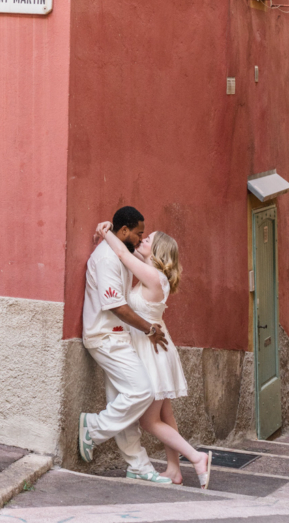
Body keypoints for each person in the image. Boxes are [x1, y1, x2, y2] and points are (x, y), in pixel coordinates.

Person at [97, 220, 212, 489]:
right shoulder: (153, 271)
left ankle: (197, 458)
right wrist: (119, 236)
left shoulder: (153, 277)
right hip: (157, 348)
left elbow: (124, 254)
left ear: (158, 250)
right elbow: (131, 250)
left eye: (149, 239)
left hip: (151, 351)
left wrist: (105, 233)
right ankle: (174, 470)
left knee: (149, 421)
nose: (143, 239)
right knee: (166, 416)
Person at [78, 205, 174, 483]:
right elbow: (117, 306)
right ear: (124, 231)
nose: (141, 238)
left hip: (119, 337)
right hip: (105, 337)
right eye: (138, 233)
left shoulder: (120, 251)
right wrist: (149, 329)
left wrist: (104, 228)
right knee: (142, 392)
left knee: (122, 401)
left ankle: (138, 466)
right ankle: (93, 429)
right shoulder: (107, 258)